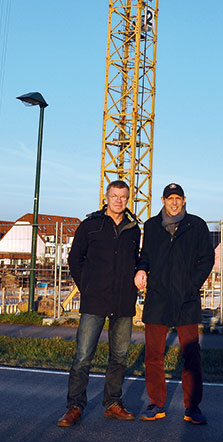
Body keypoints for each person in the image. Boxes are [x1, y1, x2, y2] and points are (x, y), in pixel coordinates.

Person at [57, 180, 141, 427]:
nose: (119, 201)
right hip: (95, 300)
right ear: (106, 197)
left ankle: (113, 403)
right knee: (83, 356)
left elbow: (137, 260)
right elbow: (75, 260)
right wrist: (87, 287)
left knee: (120, 356)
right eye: (114, 196)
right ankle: (74, 407)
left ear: (128, 199)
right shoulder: (90, 225)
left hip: (123, 301)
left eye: (123, 197)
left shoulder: (133, 228)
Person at [135, 183, 215, 424]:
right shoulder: (150, 226)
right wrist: (141, 269)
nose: (174, 202)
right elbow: (145, 255)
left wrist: (192, 284)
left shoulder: (197, 225)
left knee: (191, 354)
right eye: (170, 198)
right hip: (157, 298)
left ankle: (192, 407)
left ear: (184, 200)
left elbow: (207, 258)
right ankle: (156, 404)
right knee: (153, 355)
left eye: (178, 198)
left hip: (186, 299)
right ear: (162, 200)